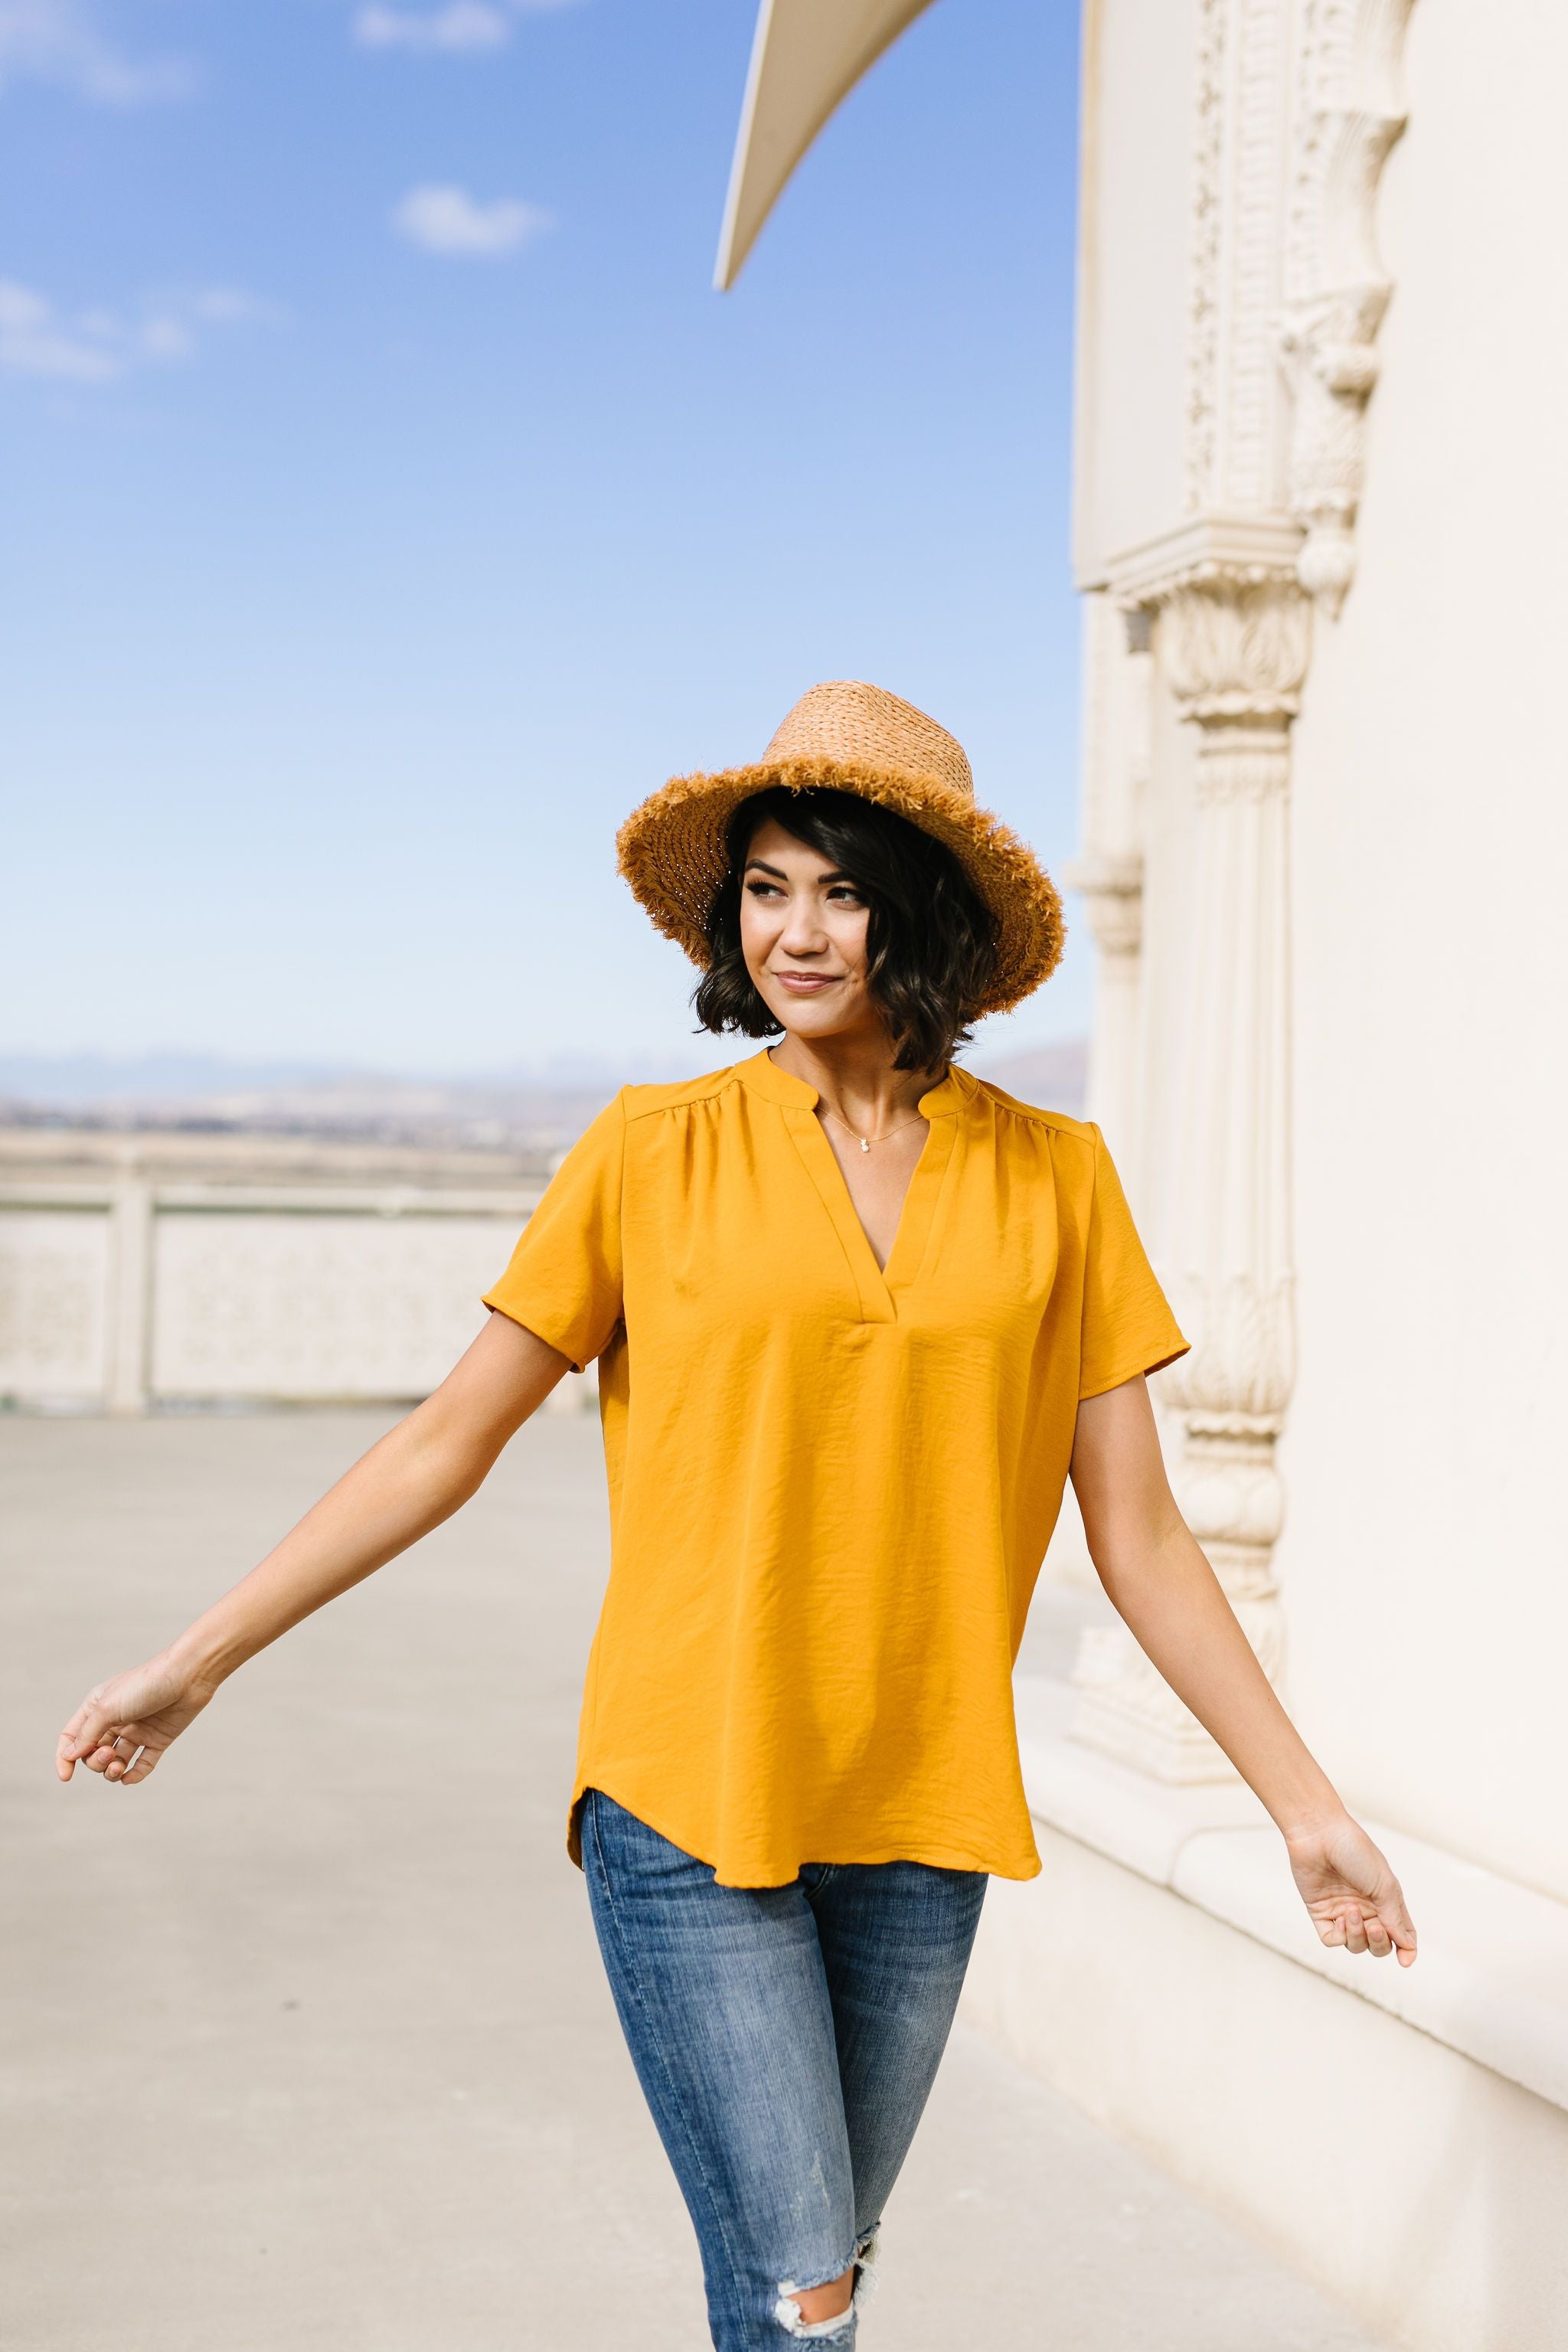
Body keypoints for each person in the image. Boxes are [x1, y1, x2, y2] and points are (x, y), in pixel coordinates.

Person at [57, 681, 1417, 2350]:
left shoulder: (1056, 1176)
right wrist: (200, 1659)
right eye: (766, 887)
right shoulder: (652, 1149)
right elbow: (444, 1441)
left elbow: (1136, 1533)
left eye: (840, 887)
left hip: (922, 1814)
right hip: (690, 1795)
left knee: (811, 2275)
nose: (798, 929)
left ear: (919, 909)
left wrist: (1301, 1806)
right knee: (802, 2294)